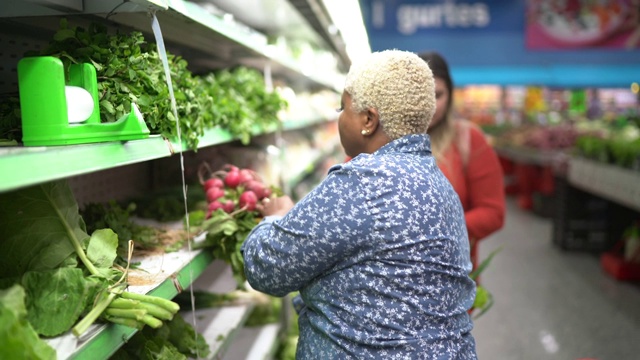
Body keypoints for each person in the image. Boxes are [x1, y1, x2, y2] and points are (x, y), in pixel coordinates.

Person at [241, 50, 477, 359]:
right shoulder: (441, 185)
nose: (339, 117)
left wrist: (276, 218)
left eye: (343, 107)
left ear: (368, 120)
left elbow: (266, 268)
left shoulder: (362, 183)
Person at [418, 52, 506, 272]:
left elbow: (492, 212)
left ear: (450, 96)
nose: (429, 106)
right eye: (419, 95)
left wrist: (435, 233)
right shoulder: (380, 139)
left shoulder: (469, 140)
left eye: (437, 95)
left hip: (450, 274)